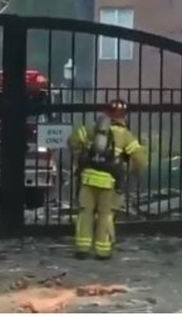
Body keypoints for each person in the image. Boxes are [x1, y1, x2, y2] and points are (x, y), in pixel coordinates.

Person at [67, 99, 146, 260]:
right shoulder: (125, 135)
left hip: (87, 179)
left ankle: (82, 248)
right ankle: (103, 251)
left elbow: (72, 140)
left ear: (106, 112)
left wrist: (79, 156)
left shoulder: (92, 128)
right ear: (124, 116)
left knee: (85, 212)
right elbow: (140, 159)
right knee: (105, 215)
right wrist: (129, 170)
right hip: (108, 182)